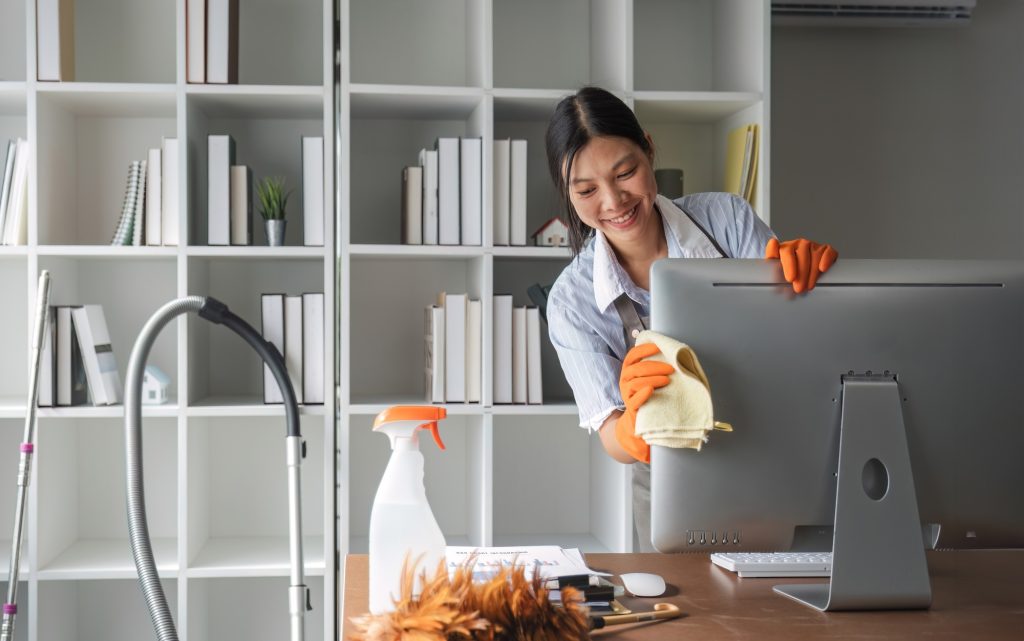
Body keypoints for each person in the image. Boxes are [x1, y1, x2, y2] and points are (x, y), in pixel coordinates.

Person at [544, 87, 837, 552]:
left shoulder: (726, 220)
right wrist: (632, 425)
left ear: (649, 149)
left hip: (774, 452)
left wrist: (809, 283)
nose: (614, 200)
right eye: (586, 190)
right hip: (670, 486)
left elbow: (795, 340)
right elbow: (613, 439)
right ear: (568, 193)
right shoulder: (571, 301)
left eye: (626, 172)